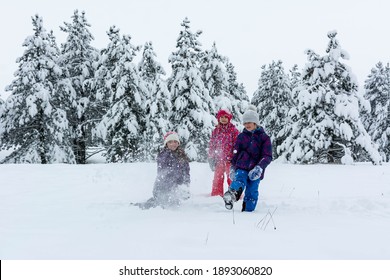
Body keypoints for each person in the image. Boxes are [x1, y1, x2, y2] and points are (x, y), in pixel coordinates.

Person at [223, 105, 272, 212]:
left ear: (255, 122)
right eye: (245, 123)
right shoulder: (241, 137)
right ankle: (232, 194)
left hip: (256, 169)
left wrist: (259, 167)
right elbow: (235, 153)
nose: (247, 125)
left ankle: (248, 211)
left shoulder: (264, 138)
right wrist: (233, 166)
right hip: (242, 166)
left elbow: (267, 156)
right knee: (239, 179)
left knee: (252, 190)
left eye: (249, 122)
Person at [138, 131, 190, 209]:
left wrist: (185, 186)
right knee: (161, 205)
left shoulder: (182, 155)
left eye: (175, 142)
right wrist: (171, 188)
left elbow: (186, 172)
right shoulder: (164, 155)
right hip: (162, 188)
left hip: (175, 188)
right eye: (170, 142)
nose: (173, 144)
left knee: (175, 206)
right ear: (166, 144)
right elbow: (163, 173)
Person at [208, 109, 239, 196]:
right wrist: (211, 157)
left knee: (231, 178)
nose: (224, 119)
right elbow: (212, 145)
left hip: (230, 160)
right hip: (219, 160)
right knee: (218, 178)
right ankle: (216, 195)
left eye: (226, 117)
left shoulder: (234, 130)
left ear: (229, 118)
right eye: (222, 117)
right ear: (218, 118)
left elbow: (237, 145)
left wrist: (236, 156)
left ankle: (234, 193)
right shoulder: (216, 131)